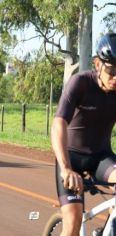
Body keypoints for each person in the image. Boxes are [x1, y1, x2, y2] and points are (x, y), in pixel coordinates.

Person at [51, 32, 116, 236]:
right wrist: (66, 168)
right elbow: (58, 124)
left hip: (101, 158)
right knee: (73, 221)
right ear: (97, 64)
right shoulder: (80, 83)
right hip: (72, 159)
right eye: (112, 70)